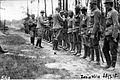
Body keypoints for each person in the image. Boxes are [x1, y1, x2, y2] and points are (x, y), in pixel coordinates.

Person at [102, 0, 119, 70]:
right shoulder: (108, 12)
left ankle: (113, 66)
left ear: (109, 4)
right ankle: (108, 63)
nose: (105, 5)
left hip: (112, 34)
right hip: (107, 33)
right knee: (105, 49)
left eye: (106, 4)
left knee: (113, 50)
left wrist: (115, 36)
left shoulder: (114, 12)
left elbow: (116, 24)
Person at [89, 0, 101, 65]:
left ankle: (98, 60)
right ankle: (92, 58)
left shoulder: (97, 11)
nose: (90, 6)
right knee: (91, 45)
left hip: (95, 31)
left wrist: (93, 33)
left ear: (94, 4)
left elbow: (96, 23)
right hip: (91, 30)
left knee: (95, 45)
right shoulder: (92, 11)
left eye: (90, 5)